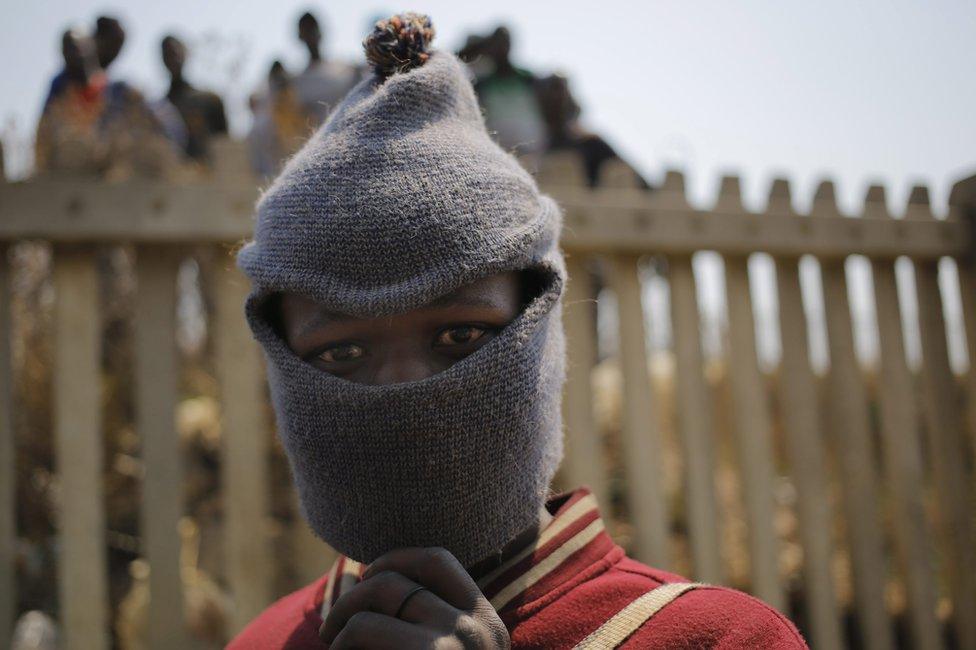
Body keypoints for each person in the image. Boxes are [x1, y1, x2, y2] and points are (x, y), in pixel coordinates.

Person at [228, 13, 807, 649]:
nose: (402, 391)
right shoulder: (266, 641)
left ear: (541, 335)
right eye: (342, 350)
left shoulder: (712, 639)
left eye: (459, 337)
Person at [161, 34, 228, 162]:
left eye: (175, 53)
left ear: (185, 54)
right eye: (168, 55)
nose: (173, 59)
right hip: (172, 177)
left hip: (206, 175)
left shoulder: (210, 100)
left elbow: (224, 145)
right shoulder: (161, 108)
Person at [293, 11, 359, 126]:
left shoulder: (346, 69)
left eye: (313, 28)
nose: (310, 35)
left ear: (320, 32)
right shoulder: (296, 84)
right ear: (300, 37)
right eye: (306, 30)